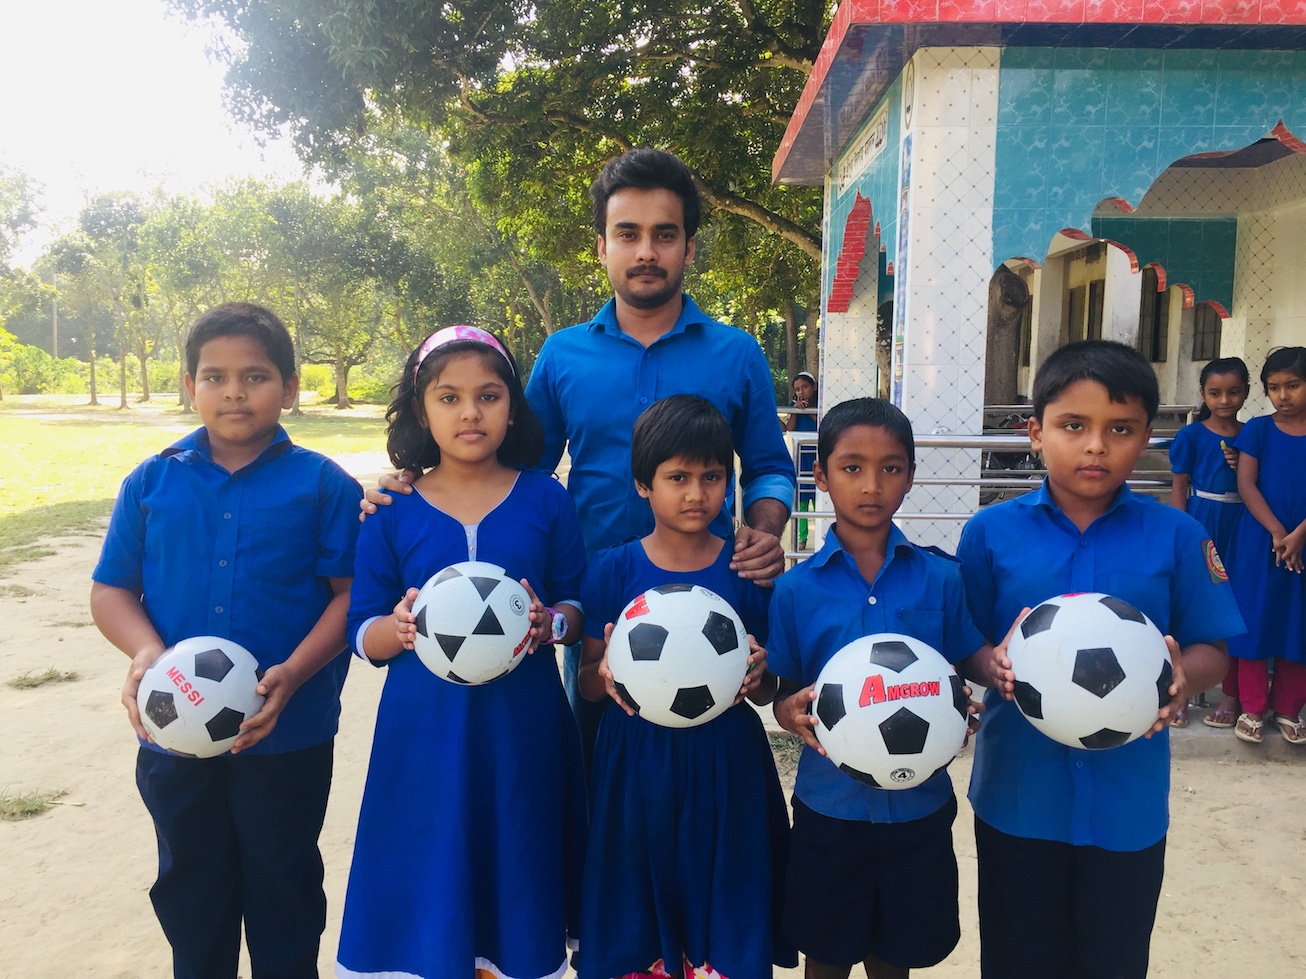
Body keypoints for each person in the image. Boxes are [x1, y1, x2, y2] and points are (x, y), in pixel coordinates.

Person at [364, 148, 797, 773]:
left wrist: (764, 528)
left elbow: (769, 467)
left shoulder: (737, 353)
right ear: (602, 247)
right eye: (628, 234)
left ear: (688, 248)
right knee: (598, 776)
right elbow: (515, 464)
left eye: (664, 234)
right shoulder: (563, 355)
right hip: (595, 601)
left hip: (709, 599)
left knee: (714, 764)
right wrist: (419, 474)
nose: (645, 251)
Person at [90, 302, 363, 979]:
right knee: (191, 886)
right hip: (172, 732)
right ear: (190, 386)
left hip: (288, 734)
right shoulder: (151, 482)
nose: (234, 391)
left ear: (290, 389)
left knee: (284, 884)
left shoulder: (322, 485)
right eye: (214, 376)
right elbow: (111, 591)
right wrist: (147, 653)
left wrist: (293, 673)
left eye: (255, 376)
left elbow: (349, 596)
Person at [956, 339, 1245, 979]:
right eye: (1073, 426)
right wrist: (989, 664)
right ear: (1035, 433)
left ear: (1145, 438)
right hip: (1018, 796)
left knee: (1113, 959)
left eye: (1119, 429)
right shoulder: (990, 533)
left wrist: (1182, 678)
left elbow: (1214, 650)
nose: (1095, 446)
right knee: (1017, 958)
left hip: (1127, 803)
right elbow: (968, 642)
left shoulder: (1178, 535)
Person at [337, 326, 588, 979]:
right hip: (423, 734)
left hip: (522, 730)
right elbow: (361, 630)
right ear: (422, 412)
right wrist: (398, 628)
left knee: (517, 853)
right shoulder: (391, 508)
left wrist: (552, 623)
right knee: (433, 862)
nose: (470, 412)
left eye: (488, 395)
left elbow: (576, 603)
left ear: (514, 409)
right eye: (449, 397)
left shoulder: (546, 497)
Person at [577, 394, 795, 979]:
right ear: (642, 484)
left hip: (726, 763)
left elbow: (767, 690)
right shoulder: (612, 569)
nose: (697, 493)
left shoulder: (747, 572)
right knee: (636, 900)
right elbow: (589, 681)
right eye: (678, 477)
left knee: (726, 896)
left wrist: (761, 674)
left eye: (712, 477)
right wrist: (604, 675)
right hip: (635, 762)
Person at [769, 398, 988, 979]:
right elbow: (784, 693)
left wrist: (969, 703)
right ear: (821, 476)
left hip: (920, 807)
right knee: (826, 954)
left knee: (898, 955)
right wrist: (787, 711)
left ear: (910, 476)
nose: (872, 485)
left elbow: (963, 666)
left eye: (891, 468)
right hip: (829, 808)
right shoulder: (795, 590)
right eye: (852, 467)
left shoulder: (942, 579)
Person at [1223, 346, 1306, 746]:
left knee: (1298, 622)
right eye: (1273, 387)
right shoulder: (1258, 429)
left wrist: (1298, 535)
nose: (1282, 396)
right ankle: (1253, 707)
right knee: (1254, 617)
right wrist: (1277, 531)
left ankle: (1289, 708)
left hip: (1303, 541)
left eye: (1293, 385)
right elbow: (1246, 484)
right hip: (1259, 539)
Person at [1167, 356, 1250, 728]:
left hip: (1245, 524)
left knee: (1238, 603)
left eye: (1234, 392)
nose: (1225, 400)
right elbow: (1179, 487)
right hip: (1203, 520)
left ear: (1246, 392)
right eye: (1215, 393)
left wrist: (1244, 463)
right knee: (1195, 599)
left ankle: (1232, 694)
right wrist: (1181, 531)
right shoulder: (1192, 435)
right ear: (1203, 394)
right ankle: (1181, 692)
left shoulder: (1252, 434)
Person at [785, 371, 818, 550]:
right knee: (802, 498)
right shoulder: (795, 406)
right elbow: (790, 430)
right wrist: (796, 411)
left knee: (818, 495)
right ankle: (802, 536)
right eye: (797, 389)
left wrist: (810, 411)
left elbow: (824, 423)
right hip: (801, 456)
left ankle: (822, 534)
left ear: (813, 387)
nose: (801, 392)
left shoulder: (821, 403)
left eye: (805, 387)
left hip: (817, 454)